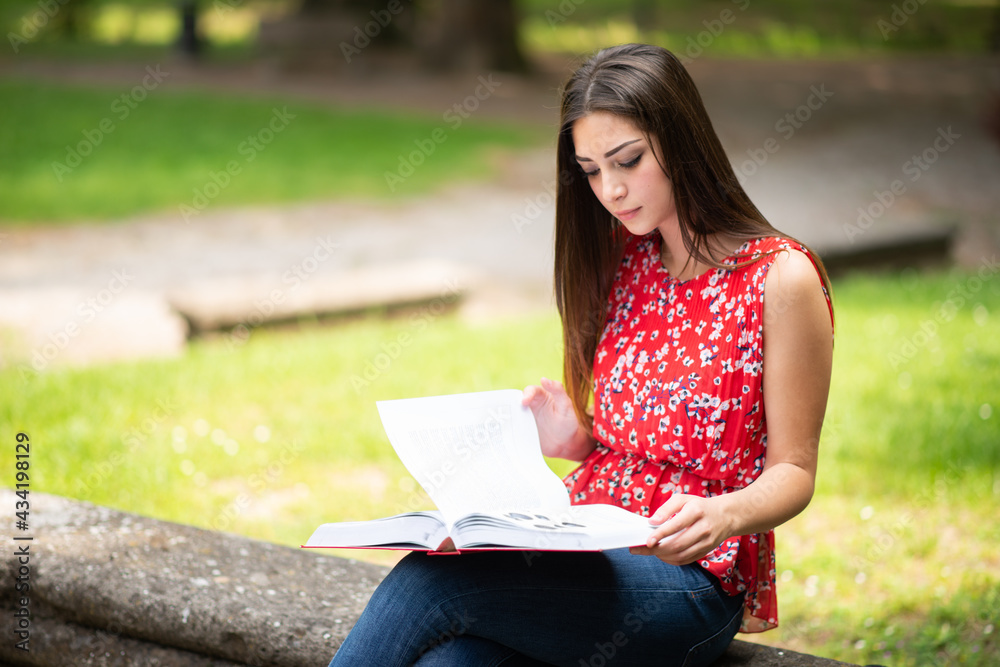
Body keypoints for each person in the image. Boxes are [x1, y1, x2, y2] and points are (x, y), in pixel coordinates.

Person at [330, 43, 834, 667]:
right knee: (453, 660)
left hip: (690, 578)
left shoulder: (779, 278)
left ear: (682, 140)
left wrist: (725, 513)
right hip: (581, 541)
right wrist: (580, 440)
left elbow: (795, 470)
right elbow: (647, 446)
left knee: (433, 579)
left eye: (628, 160)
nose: (611, 190)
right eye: (591, 170)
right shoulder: (626, 258)